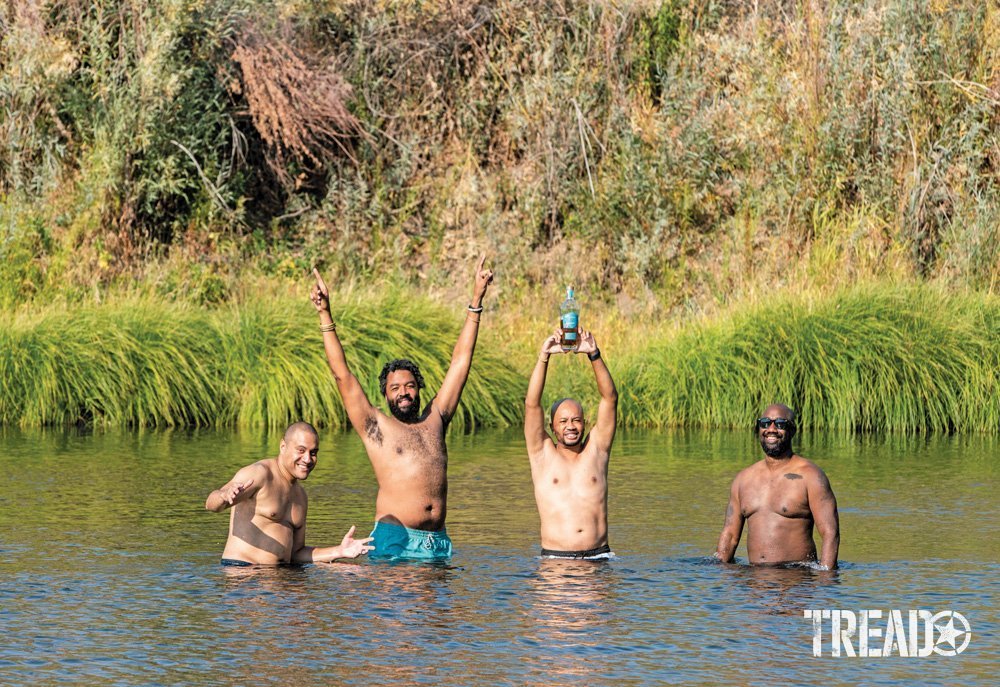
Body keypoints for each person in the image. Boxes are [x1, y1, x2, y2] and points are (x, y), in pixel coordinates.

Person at [310, 256, 494, 561]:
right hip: (396, 540)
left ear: (419, 388)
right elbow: (342, 374)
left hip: (437, 542)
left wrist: (476, 300)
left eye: (409, 386)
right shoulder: (375, 427)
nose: (403, 393)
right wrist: (325, 314)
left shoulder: (436, 418)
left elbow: (461, 362)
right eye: (395, 389)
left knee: (438, 610)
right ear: (385, 395)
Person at [205, 422, 373, 565]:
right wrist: (222, 496)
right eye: (301, 450)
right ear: (283, 447)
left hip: (281, 578)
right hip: (245, 577)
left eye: (313, 453)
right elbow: (211, 505)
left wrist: (339, 551)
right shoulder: (260, 474)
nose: (308, 459)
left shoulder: (301, 497)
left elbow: (296, 553)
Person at [523, 329, 618, 559]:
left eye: (576, 420)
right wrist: (544, 357)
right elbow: (532, 404)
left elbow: (610, 398)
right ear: (552, 427)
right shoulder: (541, 454)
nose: (571, 426)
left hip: (599, 559)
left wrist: (593, 354)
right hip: (555, 562)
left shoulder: (597, 450)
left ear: (585, 423)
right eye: (563, 421)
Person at [714, 404, 840, 569]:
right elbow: (730, 535)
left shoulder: (811, 476)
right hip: (755, 585)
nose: (771, 429)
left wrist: (826, 580)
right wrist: (717, 580)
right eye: (765, 423)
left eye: (780, 424)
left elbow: (830, 533)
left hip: (796, 584)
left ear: (792, 430)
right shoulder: (743, 479)